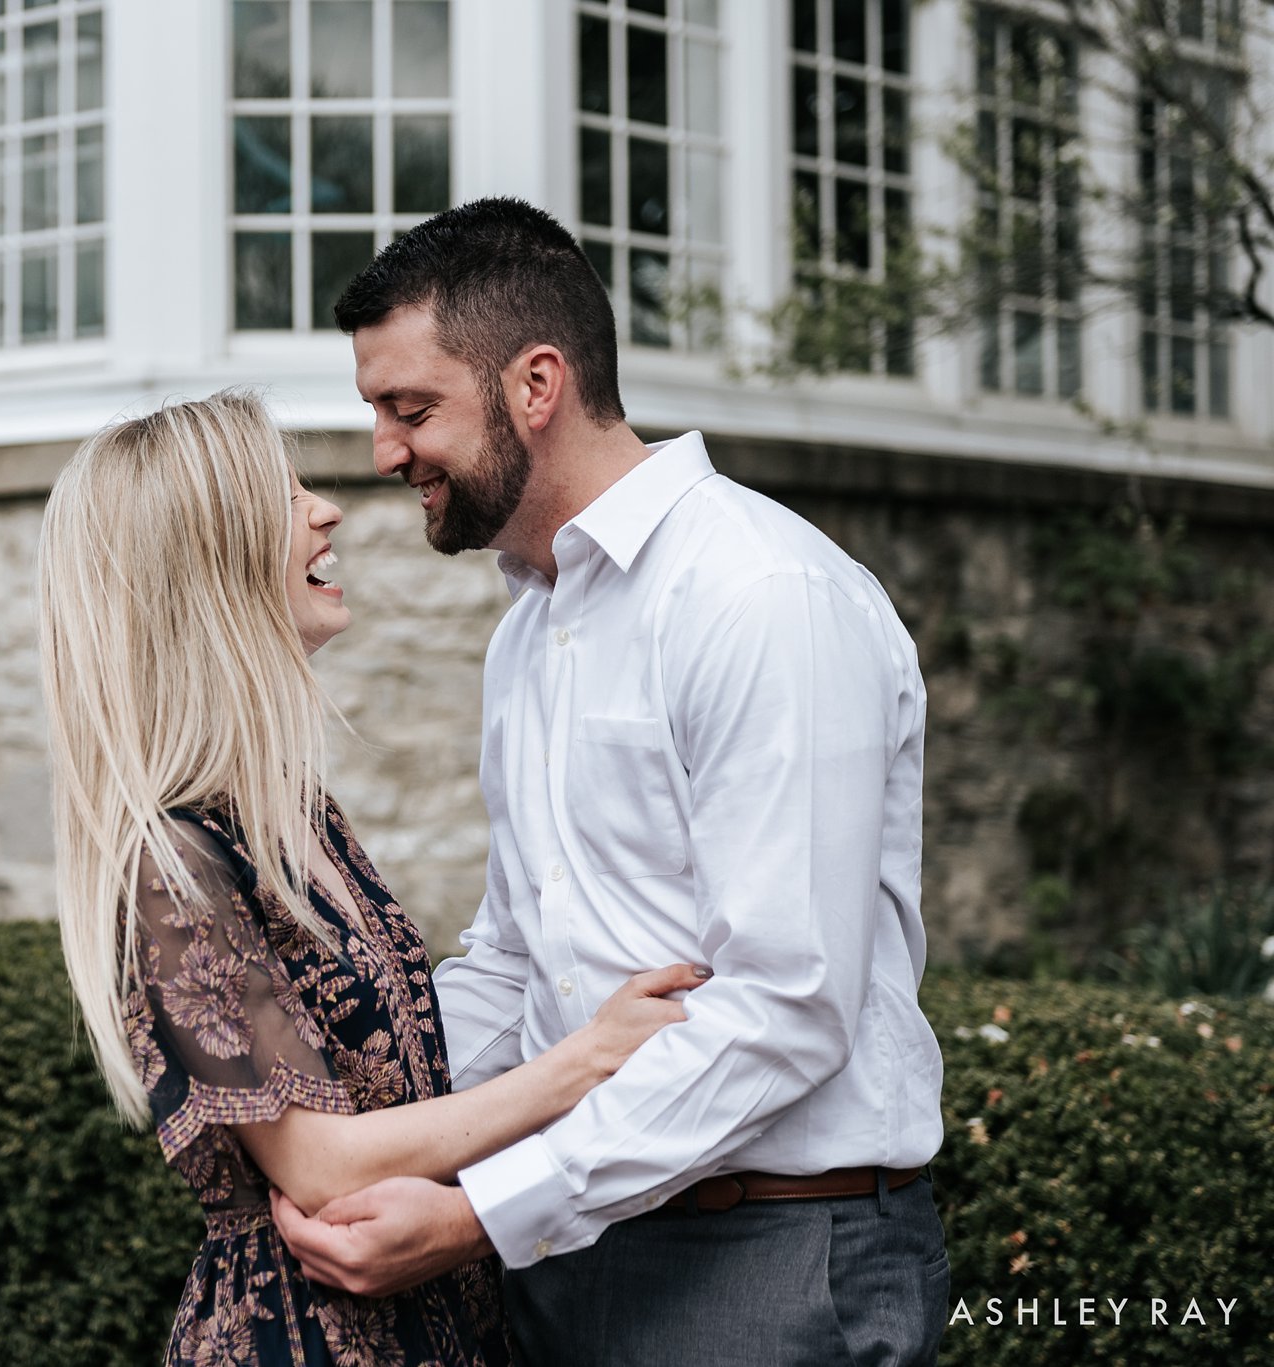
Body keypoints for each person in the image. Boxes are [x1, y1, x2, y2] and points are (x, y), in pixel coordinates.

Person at [271, 198, 949, 1365]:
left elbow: (783, 1003)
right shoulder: (529, 629)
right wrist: (351, 1126)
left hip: (766, 1263)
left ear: (535, 385)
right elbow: (519, 953)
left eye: (409, 408)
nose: (383, 453)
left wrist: (483, 1211)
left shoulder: (759, 595)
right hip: (566, 1248)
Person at [39, 390, 706, 1366]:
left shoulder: (288, 813)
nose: (325, 509)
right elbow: (317, 1160)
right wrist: (587, 1056)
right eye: (282, 492)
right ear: (203, 561)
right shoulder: (169, 859)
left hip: (430, 1313)